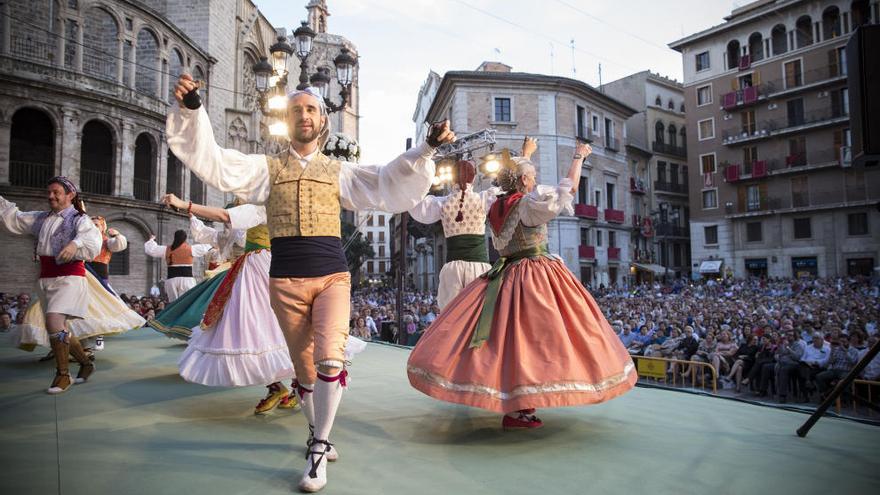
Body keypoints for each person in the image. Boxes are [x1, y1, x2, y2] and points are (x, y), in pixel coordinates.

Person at [167, 74, 451, 492]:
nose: (304, 114)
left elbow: (390, 178)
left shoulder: (340, 171)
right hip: (283, 280)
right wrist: (192, 109)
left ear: (323, 122)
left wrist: (427, 148)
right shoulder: (265, 169)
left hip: (332, 276)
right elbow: (217, 161)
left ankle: (318, 446)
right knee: (303, 369)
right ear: (288, 119)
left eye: (312, 109)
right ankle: (318, 429)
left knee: (330, 360)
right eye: (297, 109)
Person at [407, 141, 636, 429]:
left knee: (510, 341)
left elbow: (510, 182)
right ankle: (527, 403)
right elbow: (568, 190)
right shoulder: (526, 203)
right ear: (524, 180)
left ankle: (517, 404)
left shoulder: (495, 206)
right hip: (535, 274)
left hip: (505, 275)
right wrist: (578, 157)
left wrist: (524, 157)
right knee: (545, 338)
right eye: (533, 175)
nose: (536, 179)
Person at [162, 195, 300, 414]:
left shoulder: (260, 210)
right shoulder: (239, 226)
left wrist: (186, 204)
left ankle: (298, 386)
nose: (236, 205)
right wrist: (193, 216)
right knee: (244, 330)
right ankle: (277, 386)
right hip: (246, 273)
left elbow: (226, 218)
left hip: (265, 269)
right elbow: (215, 234)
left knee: (279, 326)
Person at [407, 138, 538, 310]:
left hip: (452, 269)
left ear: (452, 177)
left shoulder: (441, 203)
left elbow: (415, 206)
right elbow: (511, 184)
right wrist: (525, 155)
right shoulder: (484, 198)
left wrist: (412, 178)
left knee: (450, 317)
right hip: (479, 268)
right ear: (474, 177)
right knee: (479, 317)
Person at [0, 177, 101, 393]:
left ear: (70, 195)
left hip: (69, 277)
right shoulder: (42, 218)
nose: (51, 196)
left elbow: (92, 238)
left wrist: (75, 244)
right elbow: (15, 219)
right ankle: (86, 363)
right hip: (45, 278)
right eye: (49, 192)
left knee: (54, 322)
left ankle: (63, 375)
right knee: (59, 329)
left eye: (56, 192)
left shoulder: (79, 219)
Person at [147, 195, 244, 341]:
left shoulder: (169, 249)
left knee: (189, 303)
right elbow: (206, 240)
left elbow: (153, 250)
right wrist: (192, 216)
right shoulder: (198, 246)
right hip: (193, 277)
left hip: (174, 279)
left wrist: (151, 241)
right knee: (193, 303)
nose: (226, 224)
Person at [144, 229, 211, 302]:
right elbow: (207, 248)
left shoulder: (166, 249)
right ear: (185, 238)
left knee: (173, 303)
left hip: (172, 280)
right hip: (187, 279)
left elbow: (151, 250)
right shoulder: (191, 249)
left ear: (175, 237)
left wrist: (151, 240)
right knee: (187, 302)